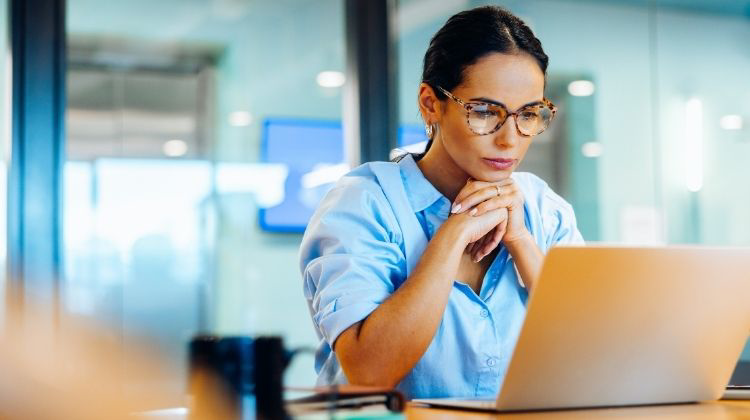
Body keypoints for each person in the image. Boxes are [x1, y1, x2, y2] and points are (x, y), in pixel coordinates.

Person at [299, 5, 584, 399]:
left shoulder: (543, 208)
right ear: (431, 103)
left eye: (529, 114)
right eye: (485, 112)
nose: (510, 139)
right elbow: (369, 371)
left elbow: (589, 354)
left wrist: (520, 242)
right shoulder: (365, 203)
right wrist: (453, 235)